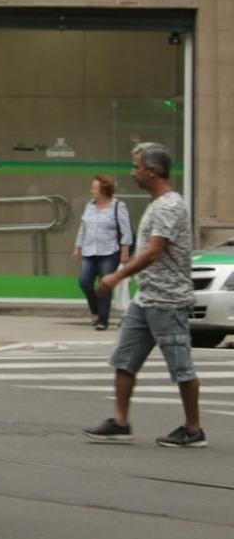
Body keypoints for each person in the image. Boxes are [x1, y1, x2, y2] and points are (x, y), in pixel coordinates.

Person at [84, 143, 205, 448]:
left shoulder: (169, 205)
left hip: (168, 300)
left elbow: (153, 252)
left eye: (136, 166)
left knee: (181, 367)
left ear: (152, 171)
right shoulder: (156, 202)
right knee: (124, 359)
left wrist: (116, 275)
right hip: (147, 297)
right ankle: (119, 422)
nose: (132, 172)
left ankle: (194, 428)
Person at [72, 174, 133, 331]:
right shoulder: (89, 206)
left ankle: (102, 320)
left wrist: (124, 252)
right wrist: (77, 247)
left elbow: (126, 231)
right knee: (84, 282)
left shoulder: (118, 206)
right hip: (89, 251)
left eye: (94, 188)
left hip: (109, 252)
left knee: (105, 285)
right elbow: (83, 228)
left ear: (103, 190)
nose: (91, 191)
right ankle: (95, 311)